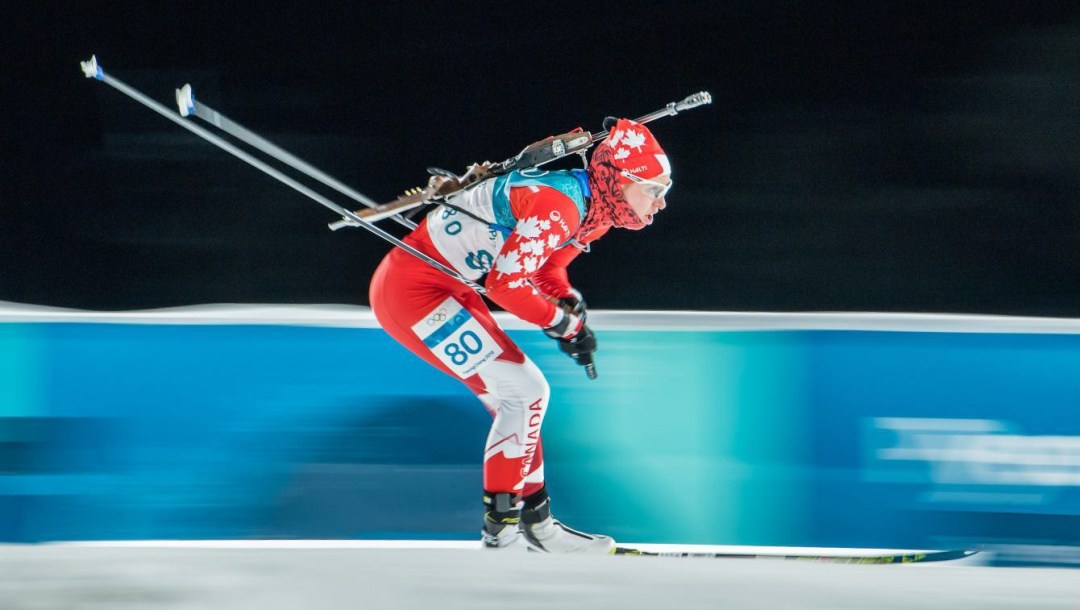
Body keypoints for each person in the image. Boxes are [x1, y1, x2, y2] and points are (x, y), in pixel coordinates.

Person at [368, 119, 672, 553]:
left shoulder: (594, 209)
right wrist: (563, 324)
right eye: (653, 189)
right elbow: (505, 285)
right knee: (526, 392)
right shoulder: (561, 205)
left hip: (444, 289)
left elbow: (545, 269)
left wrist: (566, 300)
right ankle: (502, 533)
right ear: (618, 180)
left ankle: (538, 528)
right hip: (415, 294)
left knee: (520, 401)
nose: (660, 203)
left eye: (665, 190)